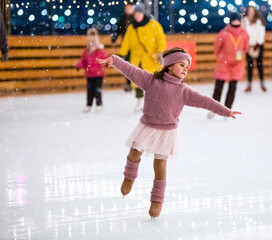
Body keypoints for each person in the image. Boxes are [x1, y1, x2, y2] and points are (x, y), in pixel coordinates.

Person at [97, 47, 241, 218]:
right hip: (148, 126)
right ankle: (129, 178)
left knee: (160, 166)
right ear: (170, 65)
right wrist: (114, 60)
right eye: (182, 65)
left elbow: (205, 102)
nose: (185, 69)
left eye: (187, 67)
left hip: (167, 132)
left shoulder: (183, 91)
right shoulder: (151, 81)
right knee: (134, 152)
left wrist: (225, 111)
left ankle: (157, 201)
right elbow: (132, 71)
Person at [118, 2, 166, 112]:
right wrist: (122, 53)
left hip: (151, 58)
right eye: (136, 14)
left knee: (153, 81)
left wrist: (160, 52)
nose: (137, 16)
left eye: (139, 13)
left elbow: (160, 38)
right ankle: (140, 101)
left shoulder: (153, 25)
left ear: (143, 13)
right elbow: (126, 42)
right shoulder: (131, 27)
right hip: (136, 58)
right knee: (137, 80)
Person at [208, 13, 249, 119]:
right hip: (224, 64)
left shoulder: (244, 34)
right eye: (234, 20)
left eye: (237, 20)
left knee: (232, 88)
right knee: (218, 87)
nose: (236, 22)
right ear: (230, 21)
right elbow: (217, 48)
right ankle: (214, 109)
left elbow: (245, 47)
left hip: (237, 64)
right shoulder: (224, 33)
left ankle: (228, 110)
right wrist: (222, 57)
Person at [76, 28, 108, 112]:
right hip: (90, 74)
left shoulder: (100, 51)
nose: (92, 46)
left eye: (93, 44)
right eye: (90, 44)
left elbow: (104, 59)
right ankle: (89, 105)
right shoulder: (86, 51)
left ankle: (99, 105)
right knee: (90, 90)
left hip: (98, 75)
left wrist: (105, 62)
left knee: (98, 90)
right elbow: (84, 61)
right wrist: (79, 65)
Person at [242, 6, 267, 93]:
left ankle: (262, 84)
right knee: (249, 66)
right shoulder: (244, 21)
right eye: (249, 11)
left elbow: (261, 33)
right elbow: (242, 33)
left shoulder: (259, 21)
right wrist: (247, 45)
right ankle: (249, 85)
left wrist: (257, 45)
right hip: (248, 46)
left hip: (258, 46)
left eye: (252, 11)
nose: (251, 12)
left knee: (260, 65)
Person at [111, 3, 134, 92]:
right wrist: (114, 37)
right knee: (128, 66)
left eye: (129, 8)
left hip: (136, 47)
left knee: (136, 66)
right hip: (126, 46)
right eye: (126, 8)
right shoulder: (123, 18)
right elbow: (118, 30)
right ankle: (129, 84)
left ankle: (135, 85)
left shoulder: (136, 18)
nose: (127, 9)